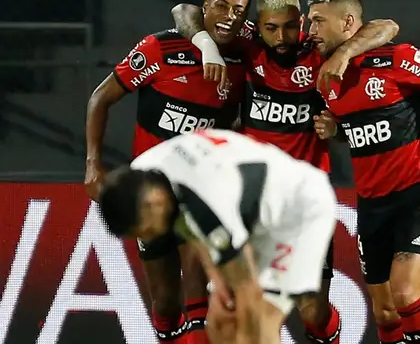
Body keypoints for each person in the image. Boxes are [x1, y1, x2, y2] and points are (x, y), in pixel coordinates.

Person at [170, 0, 399, 343]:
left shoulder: (318, 50)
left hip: (306, 198)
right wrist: (207, 47)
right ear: (257, 26)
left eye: (290, 26)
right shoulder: (248, 47)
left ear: (302, 22)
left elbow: (387, 27)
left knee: (313, 313)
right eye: (272, 28)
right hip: (254, 193)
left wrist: (344, 55)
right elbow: (184, 11)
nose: (282, 36)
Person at [84, 0, 258, 344]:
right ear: (206, 7)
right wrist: (92, 163)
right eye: (222, 6)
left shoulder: (245, 52)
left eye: (239, 11)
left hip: (199, 188)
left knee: (197, 279)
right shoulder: (160, 50)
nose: (229, 16)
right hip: (151, 190)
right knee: (165, 302)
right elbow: (100, 98)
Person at [308, 0, 420, 344]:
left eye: (319, 22)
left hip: (418, 192)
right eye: (309, 22)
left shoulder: (395, 59)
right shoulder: (324, 75)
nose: (311, 31)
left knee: (404, 295)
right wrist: (337, 129)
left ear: (348, 22)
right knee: (384, 310)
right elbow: (362, 129)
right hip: (371, 203)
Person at [97, 129, 338, 344]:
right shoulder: (145, 173)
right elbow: (191, 227)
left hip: (298, 210)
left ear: (154, 203)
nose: (150, 238)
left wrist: (234, 292)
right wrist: (218, 281)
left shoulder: (204, 200)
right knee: (221, 323)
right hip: (250, 209)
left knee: (259, 321)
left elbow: (247, 287)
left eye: (147, 231)